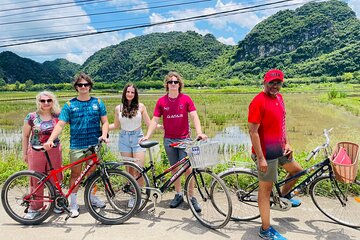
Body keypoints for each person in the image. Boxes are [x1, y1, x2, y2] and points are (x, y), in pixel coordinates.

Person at [44, 73, 109, 218]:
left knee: (93, 174)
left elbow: (104, 122)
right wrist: (51, 139)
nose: (83, 87)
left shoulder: (98, 102)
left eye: (86, 84)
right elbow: (60, 124)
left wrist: (104, 135)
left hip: (94, 145)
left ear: (90, 86)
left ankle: (92, 198)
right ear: (76, 87)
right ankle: (73, 204)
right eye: (80, 85)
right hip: (77, 145)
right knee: (75, 174)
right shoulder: (69, 105)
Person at [248, 69, 303, 240]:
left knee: (298, 171)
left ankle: (284, 196)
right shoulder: (258, 102)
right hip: (266, 153)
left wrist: (287, 142)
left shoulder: (279, 98)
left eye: (278, 83)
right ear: (264, 82)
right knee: (266, 190)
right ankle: (265, 229)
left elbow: (282, 123)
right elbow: (253, 132)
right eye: (271, 82)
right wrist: (261, 158)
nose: (275, 86)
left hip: (280, 148)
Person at [141, 71, 207, 212]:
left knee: (188, 169)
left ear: (179, 84)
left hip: (184, 140)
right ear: (167, 85)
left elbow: (194, 116)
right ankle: (178, 195)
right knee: (174, 169)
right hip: (169, 140)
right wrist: (147, 135)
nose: (173, 84)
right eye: (170, 82)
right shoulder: (161, 101)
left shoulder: (186, 99)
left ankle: (191, 197)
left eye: (175, 82)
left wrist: (199, 132)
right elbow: (154, 120)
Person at [109, 83, 160, 207]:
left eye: (132, 92)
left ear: (135, 94)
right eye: (128, 92)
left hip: (138, 139)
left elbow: (149, 123)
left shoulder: (141, 107)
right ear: (124, 93)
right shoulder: (118, 108)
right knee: (129, 170)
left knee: (139, 170)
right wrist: (102, 128)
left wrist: (164, 126)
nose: (130, 94)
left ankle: (140, 193)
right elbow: (115, 126)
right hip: (124, 140)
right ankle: (133, 195)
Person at [22, 91, 63, 219]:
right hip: (36, 152)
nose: (46, 103)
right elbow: (25, 135)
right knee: (36, 180)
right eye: (43, 101)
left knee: (55, 178)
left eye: (49, 100)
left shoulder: (58, 115)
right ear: (38, 102)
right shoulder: (31, 117)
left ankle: (56, 203)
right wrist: (24, 153)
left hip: (54, 150)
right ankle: (35, 207)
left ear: (53, 102)